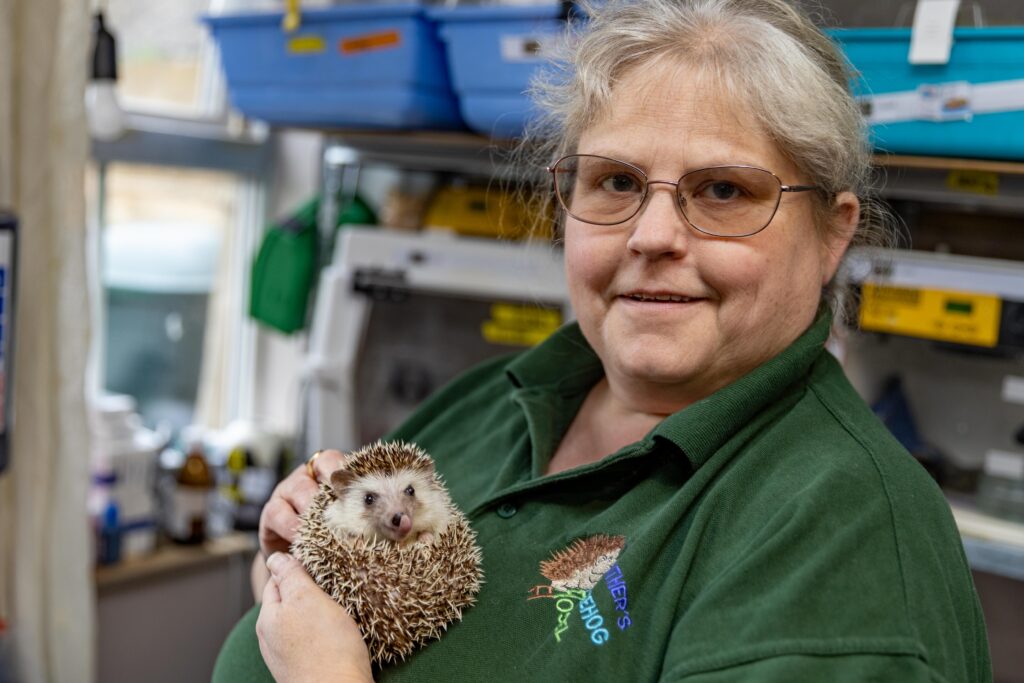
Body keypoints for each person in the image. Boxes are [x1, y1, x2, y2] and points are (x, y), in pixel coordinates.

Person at [214, 0, 992, 680]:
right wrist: (294, 559)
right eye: (616, 182)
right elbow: (331, 624)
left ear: (832, 235)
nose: (653, 235)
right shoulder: (501, 397)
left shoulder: (839, 533)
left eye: (723, 190)